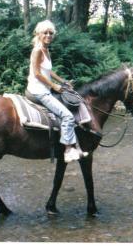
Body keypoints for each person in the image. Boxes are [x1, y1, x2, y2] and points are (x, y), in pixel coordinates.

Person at [27, 20, 88, 163]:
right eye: (45, 33)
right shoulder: (37, 50)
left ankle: (77, 147)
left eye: (51, 33)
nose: (48, 35)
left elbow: (47, 71)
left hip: (45, 88)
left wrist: (62, 82)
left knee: (70, 107)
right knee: (67, 116)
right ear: (38, 34)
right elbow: (37, 73)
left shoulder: (46, 49)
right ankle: (67, 150)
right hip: (38, 91)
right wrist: (54, 86)